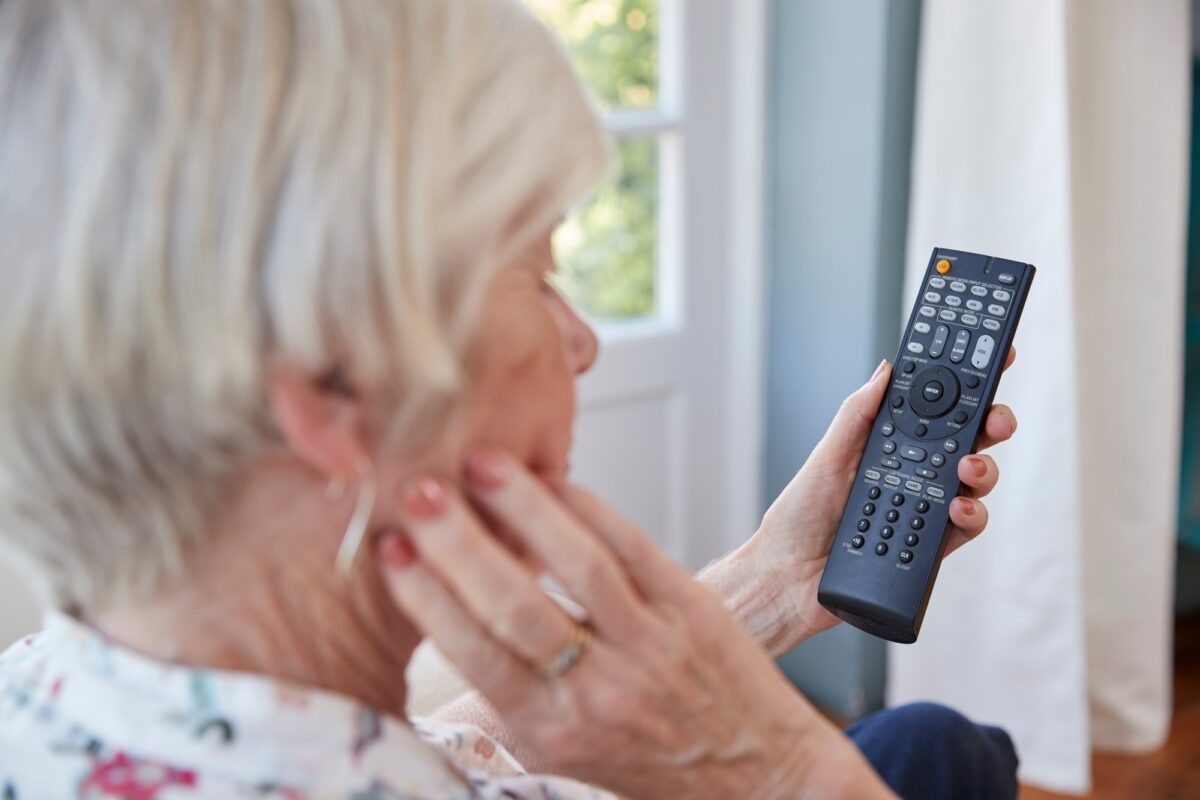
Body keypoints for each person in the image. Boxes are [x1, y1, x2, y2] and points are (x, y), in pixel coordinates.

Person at [0, 1, 1019, 797]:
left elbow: (424, 745)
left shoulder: (39, 682)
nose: (580, 342)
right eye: (537, 274)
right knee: (948, 750)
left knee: (936, 742)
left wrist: (775, 576)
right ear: (333, 385)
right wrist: (782, 773)